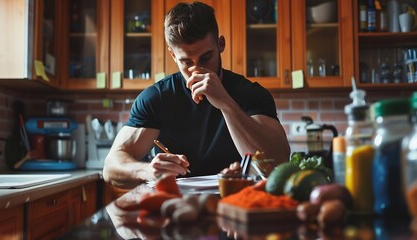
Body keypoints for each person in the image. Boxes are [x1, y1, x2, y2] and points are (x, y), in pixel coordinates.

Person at [103, 1, 290, 188]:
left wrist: (225, 103)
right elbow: (111, 167)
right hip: (173, 207)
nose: (196, 69)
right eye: (186, 61)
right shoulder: (157, 98)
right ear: (172, 55)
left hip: (238, 203)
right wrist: (149, 171)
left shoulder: (251, 94)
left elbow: (277, 163)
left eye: (206, 57)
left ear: (220, 44)